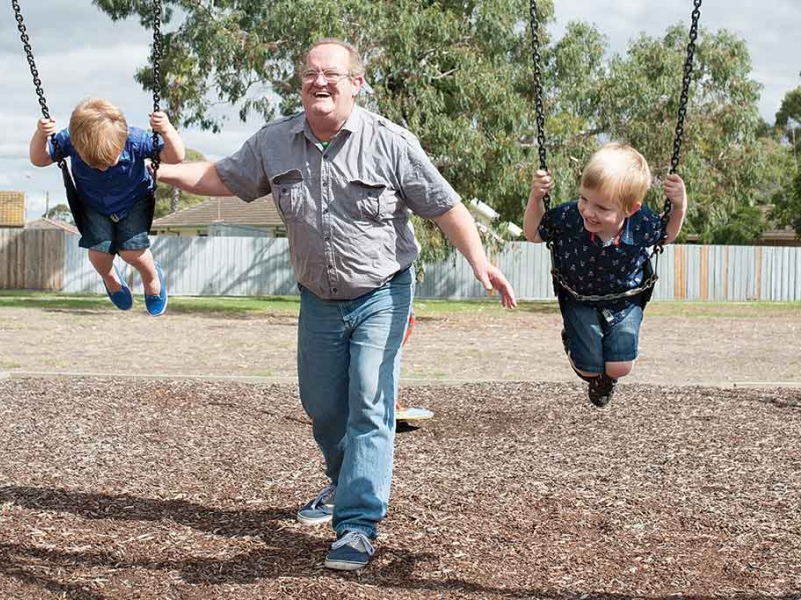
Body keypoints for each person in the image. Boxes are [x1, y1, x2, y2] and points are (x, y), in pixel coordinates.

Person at [155, 38, 516, 571]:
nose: (319, 81)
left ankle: (357, 524)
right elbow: (220, 178)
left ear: (356, 84)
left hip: (383, 291)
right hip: (319, 298)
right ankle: (343, 482)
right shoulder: (274, 142)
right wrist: (153, 172)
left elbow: (446, 206)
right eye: (309, 73)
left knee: (370, 396)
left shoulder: (390, 142)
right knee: (323, 407)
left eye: (331, 74)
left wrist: (479, 261)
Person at [522, 142, 688, 407]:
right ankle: (579, 352)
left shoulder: (641, 222)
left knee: (621, 366)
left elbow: (666, 235)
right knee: (588, 369)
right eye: (584, 199)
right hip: (578, 296)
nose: (588, 211)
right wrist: (535, 198)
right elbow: (532, 233)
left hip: (625, 299)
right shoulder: (569, 217)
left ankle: (608, 379)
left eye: (602, 208)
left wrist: (679, 206)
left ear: (630, 209)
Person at [29, 97, 186, 316]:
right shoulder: (70, 139)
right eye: (94, 163)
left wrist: (166, 129)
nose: (102, 168)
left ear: (122, 142)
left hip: (134, 200)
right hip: (94, 205)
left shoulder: (136, 140)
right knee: (98, 257)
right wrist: (41, 133)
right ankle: (110, 278)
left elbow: (175, 157)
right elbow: (39, 159)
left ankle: (151, 277)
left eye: (108, 161)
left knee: (133, 252)